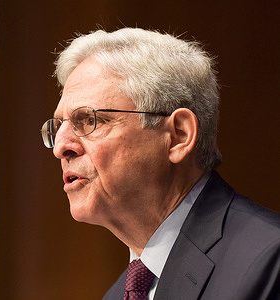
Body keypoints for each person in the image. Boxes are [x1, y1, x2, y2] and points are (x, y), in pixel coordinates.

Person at [40, 28, 280, 299]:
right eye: (58, 126)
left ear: (178, 135)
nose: (61, 147)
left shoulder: (268, 262)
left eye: (90, 120)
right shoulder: (119, 293)